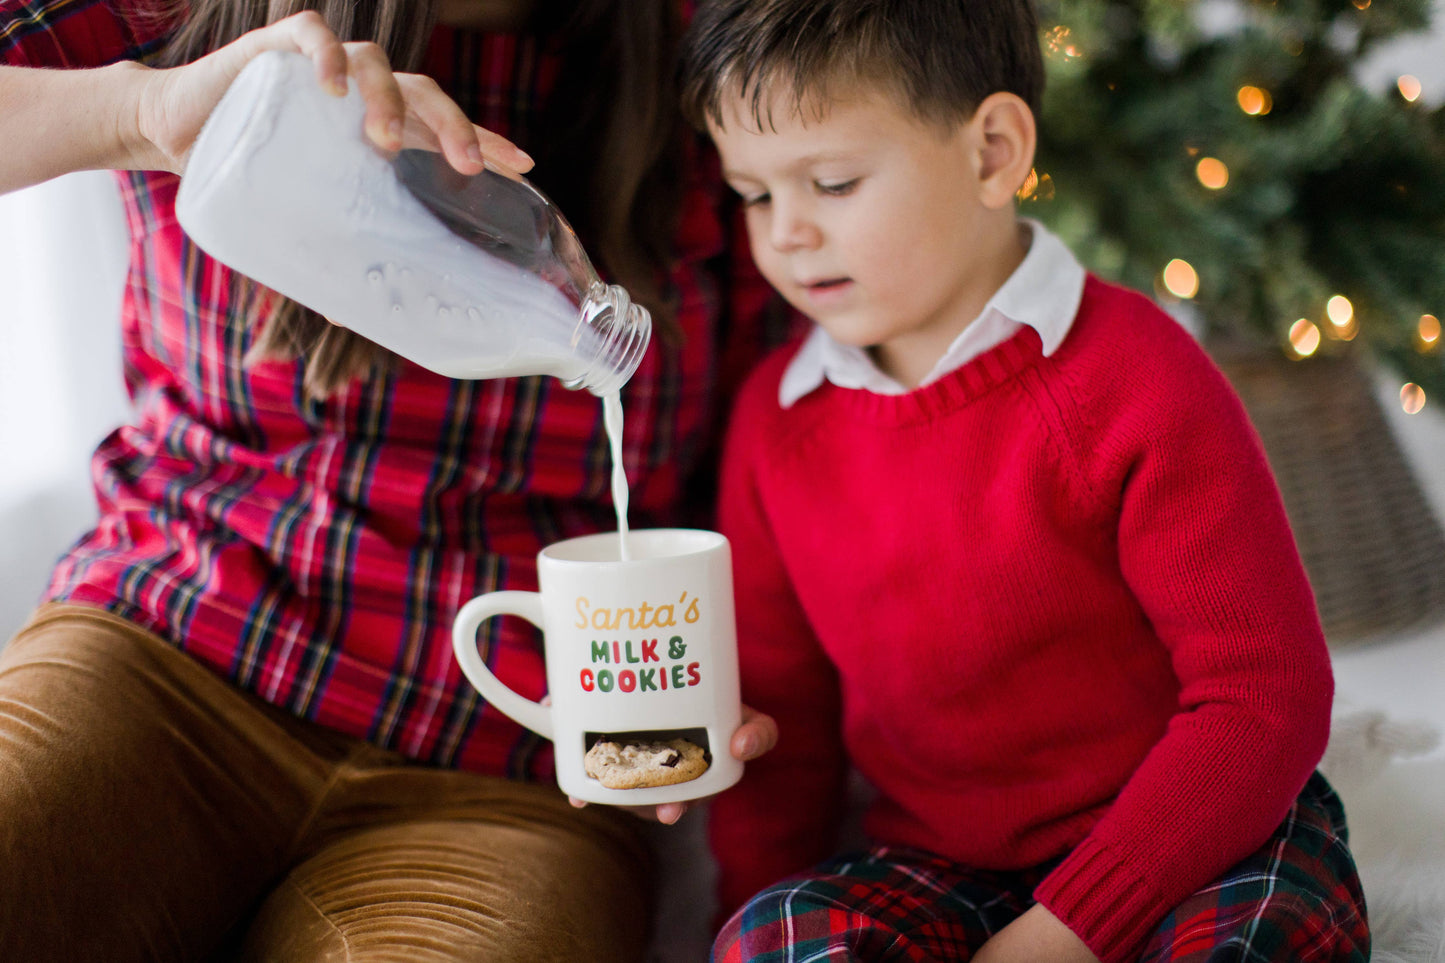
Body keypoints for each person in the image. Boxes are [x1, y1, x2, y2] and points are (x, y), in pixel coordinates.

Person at [0, 0, 782, 958]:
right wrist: (143, 113)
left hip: (509, 769)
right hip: (168, 649)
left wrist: (727, 667)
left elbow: (779, 433)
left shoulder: (705, 43)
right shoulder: (173, 12)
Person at [676, 1, 1370, 961]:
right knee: (775, 938)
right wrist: (756, 916)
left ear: (993, 151)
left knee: (1269, 931)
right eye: (752, 194)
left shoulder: (1135, 375)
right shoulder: (775, 424)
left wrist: (1064, 932)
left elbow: (1266, 693)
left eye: (831, 182)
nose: (785, 233)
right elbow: (783, 732)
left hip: (1191, 842)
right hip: (944, 867)